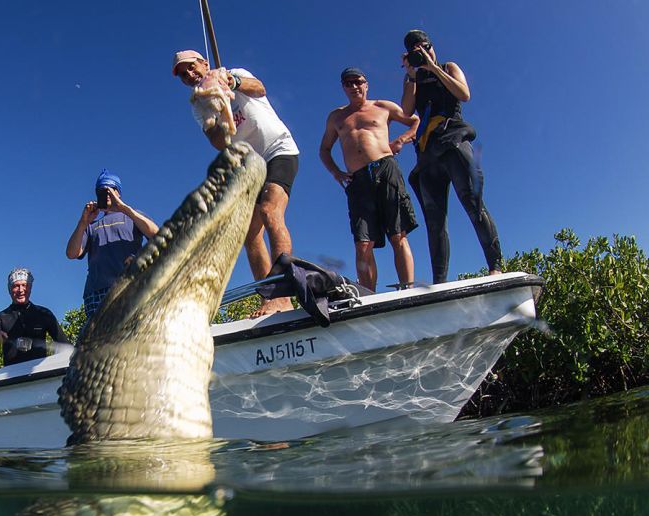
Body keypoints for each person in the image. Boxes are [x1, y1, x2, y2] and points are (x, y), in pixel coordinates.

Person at [172, 49, 299, 316]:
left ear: (204, 63)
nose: (190, 75)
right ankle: (270, 297)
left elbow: (260, 88)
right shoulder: (198, 103)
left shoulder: (236, 73)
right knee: (249, 234)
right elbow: (219, 144)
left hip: (278, 149)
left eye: (192, 68)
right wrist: (212, 113)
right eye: (183, 75)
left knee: (269, 210)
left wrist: (231, 83)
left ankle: (285, 295)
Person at [400, 29, 503, 284]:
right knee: (435, 221)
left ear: (431, 46)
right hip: (426, 151)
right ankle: (440, 283)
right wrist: (412, 76)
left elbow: (463, 94)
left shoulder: (448, 66)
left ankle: (495, 267)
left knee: (472, 202)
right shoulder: (411, 78)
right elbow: (406, 111)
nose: (422, 52)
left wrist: (434, 68)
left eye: (424, 46)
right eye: (416, 50)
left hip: (453, 140)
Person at [319, 68, 420, 291]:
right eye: (348, 83)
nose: (354, 86)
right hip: (357, 180)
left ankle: (407, 289)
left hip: (386, 169)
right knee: (363, 243)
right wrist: (336, 172)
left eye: (358, 82)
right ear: (343, 88)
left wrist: (401, 140)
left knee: (398, 234)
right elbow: (324, 149)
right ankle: (368, 296)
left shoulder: (383, 106)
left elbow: (415, 120)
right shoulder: (336, 117)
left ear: (366, 84)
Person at [65, 170, 158, 318]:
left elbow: (156, 234)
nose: (105, 194)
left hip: (129, 284)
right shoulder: (91, 225)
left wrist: (125, 209)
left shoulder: (133, 215)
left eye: (109, 190)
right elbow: (71, 253)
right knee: (98, 339)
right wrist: (83, 222)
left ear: (118, 192)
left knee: (129, 333)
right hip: (96, 292)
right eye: (101, 191)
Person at [0, 267, 68, 367]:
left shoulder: (44, 314)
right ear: (9, 289)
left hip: (39, 373)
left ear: (30, 288)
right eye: (16, 286)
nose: (21, 290)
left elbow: (66, 346)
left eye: (24, 285)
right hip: (11, 375)